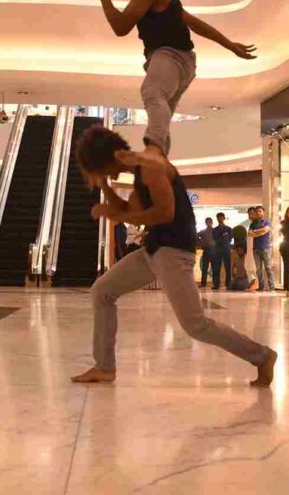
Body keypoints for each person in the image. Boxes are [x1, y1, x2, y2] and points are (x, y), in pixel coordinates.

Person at [70, 126, 278, 386]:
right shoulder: (139, 175)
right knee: (102, 291)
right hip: (153, 251)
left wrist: (117, 214)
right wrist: (104, 186)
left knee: (196, 325)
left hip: (173, 253)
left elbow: (163, 213)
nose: (103, 174)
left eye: (99, 169)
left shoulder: (151, 167)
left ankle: (262, 356)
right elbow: (127, 209)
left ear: (108, 157)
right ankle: (104, 367)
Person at [90, 0, 257, 156]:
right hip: (183, 61)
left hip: (171, 56)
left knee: (151, 92)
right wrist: (230, 45)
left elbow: (121, 27)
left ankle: (154, 151)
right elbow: (192, 22)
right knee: (162, 114)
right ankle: (160, 159)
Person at [249, 206, 275, 292]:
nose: (258, 213)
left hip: (265, 248)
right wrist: (261, 232)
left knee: (268, 268)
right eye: (257, 211)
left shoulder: (267, 222)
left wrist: (256, 232)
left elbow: (266, 230)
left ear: (263, 212)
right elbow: (250, 233)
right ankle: (261, 287)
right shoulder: (253, 224)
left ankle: (272, 287)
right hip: (256, 248)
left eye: (260, 211)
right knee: (258, 269)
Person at [213, 212, 233, 289]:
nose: (220, 219)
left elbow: (230, 238)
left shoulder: (229, 229)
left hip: (226, 250)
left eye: (221, 217)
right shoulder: (215, 230)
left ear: (224, 218)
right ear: (217, 219)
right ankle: (216, 284)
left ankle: (228, 284)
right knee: (216, 268)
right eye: (218, 217)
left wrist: (226, 243)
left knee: (228, 268)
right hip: (217, 250)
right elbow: (214, 239)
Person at [197, 217, 217, 288]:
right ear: (205, 223)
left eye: (209, 222)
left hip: (214, 251)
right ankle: (203, 283)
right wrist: (200, 243)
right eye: (207, 222)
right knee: (204, 268)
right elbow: (196, 236)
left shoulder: (215, 231)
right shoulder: (203, 231)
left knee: (214, 268)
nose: (208, 223)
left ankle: (215, 284)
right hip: (206, 250)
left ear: (212, 222)